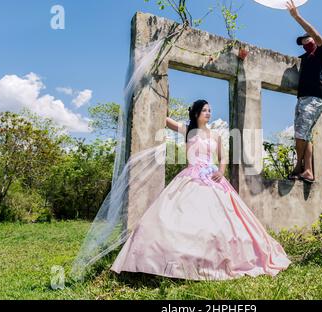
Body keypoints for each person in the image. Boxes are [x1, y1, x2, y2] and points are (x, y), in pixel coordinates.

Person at [110, 99, 291, 280]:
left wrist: (221, 171)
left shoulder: (215, 135)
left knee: (222, 220)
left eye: (210, 110)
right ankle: (171, 260)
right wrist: (163, 98)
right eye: (205, 110)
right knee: (177, 216)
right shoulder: (187, 130)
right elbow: (164, 119)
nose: (209, 113)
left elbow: (222, 157)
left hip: (212, 178)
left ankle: (215, 259)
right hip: (190, 177)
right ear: (196, 113)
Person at [286, 0, 322, 183]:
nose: (305, 42)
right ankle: (308, 171)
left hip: (314, 99)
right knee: (305, 135)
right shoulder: (304, 58)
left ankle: (298, 166)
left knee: (300, 134)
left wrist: (297, 17)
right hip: (302, 99)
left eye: (307, 39)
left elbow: (316, 35)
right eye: (302, 41)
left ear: (314, 39)